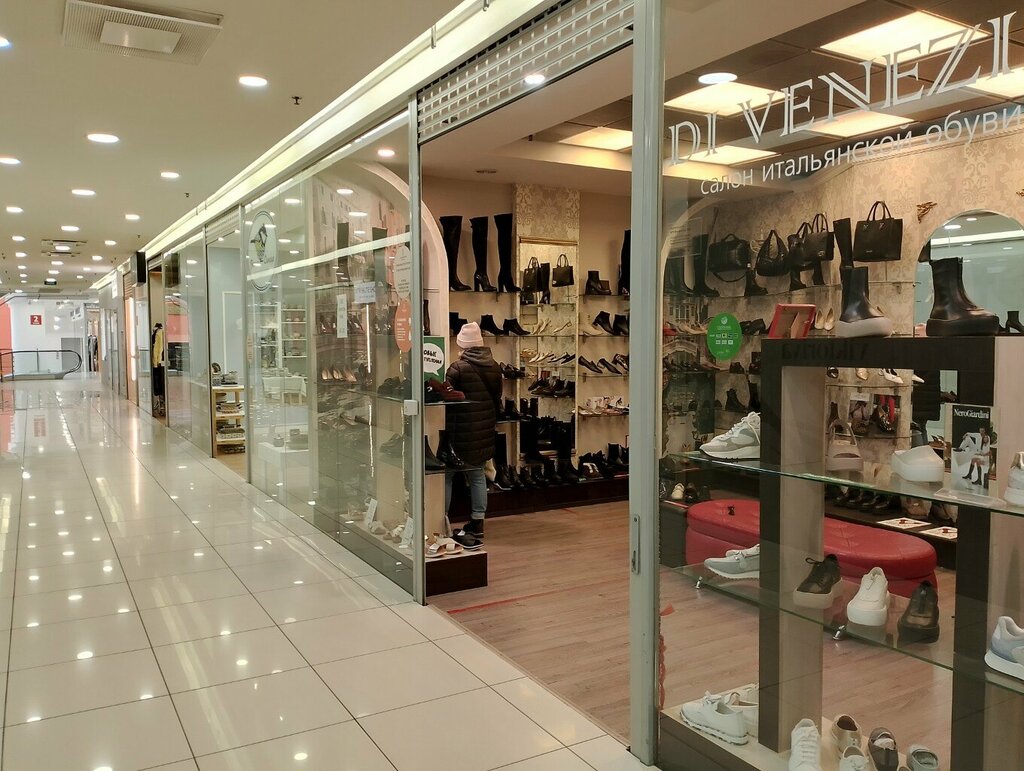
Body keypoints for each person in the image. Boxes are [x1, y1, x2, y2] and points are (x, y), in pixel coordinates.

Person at [444, 321, 502, 546]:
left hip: (460, 430)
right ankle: (478, 522)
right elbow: (496, 397)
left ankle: (442, 520)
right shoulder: (494, 366)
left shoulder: (457, 368)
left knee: (447, 475)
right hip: (484, 428)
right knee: (477, 474)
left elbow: (446, 398)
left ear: (462, 344)